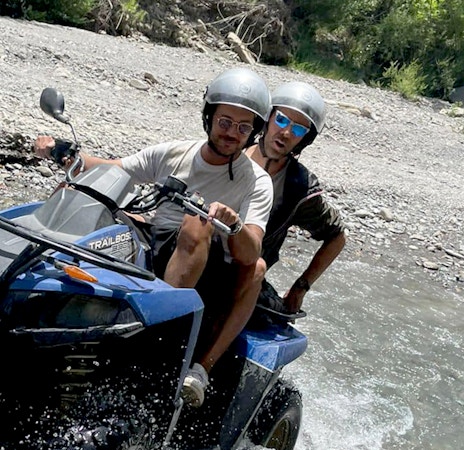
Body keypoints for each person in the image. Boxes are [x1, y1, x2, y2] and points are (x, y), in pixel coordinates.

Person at [34, 67, 273, 408]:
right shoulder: (176, 153)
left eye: (243, 127)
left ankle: (164, 346)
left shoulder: (256, 181)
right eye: (225, 122)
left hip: (211, 265)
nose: (232, 133)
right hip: (157, 241)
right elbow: (117, 168)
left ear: (253, 133)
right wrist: (65, 154)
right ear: (209, 117)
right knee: (89, 203)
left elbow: (250, 251)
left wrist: (233, 223)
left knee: (198, 223)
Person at [245, 81, 346, 316]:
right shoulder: (232, 148)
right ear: (268, 118)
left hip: (246, 274)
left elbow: (337, 236)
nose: (287, 132)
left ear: (305, 139)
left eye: (299, 129)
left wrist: (301, 287)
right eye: (281, 120)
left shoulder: (300, 188)